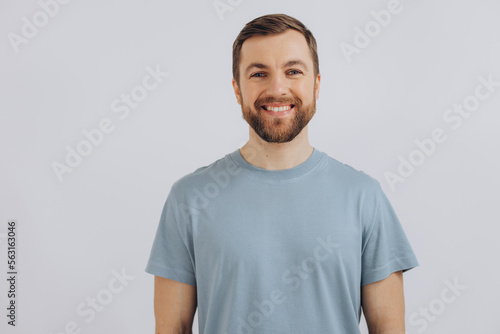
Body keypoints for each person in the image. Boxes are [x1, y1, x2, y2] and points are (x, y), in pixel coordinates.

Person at [145, 13, 419, 334]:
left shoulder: (364, 197)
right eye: (259, 73)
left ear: (316, 85)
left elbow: (389, 328)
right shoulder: (189, 199)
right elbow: (170, 328)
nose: (278, 88)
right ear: (237, 90)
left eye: (293, 71)